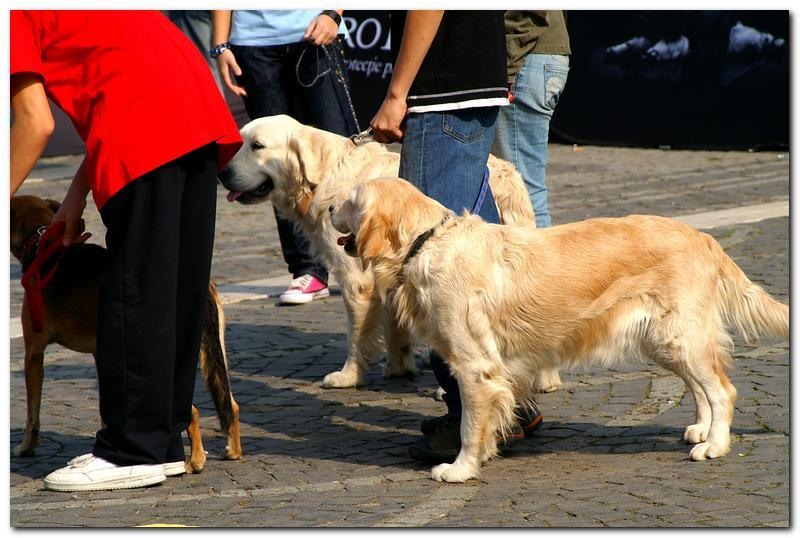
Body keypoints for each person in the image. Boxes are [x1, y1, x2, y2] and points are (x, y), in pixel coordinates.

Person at [10, 10, 242, 492]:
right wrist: (75, 196)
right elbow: (126, 77)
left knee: (133, 293)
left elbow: (35, 124)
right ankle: (161, 442)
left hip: (147, 123)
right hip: (196, 111)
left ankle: (130, 450)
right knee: (174, 290)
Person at [370, 10, 542, 463]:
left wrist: (397, 94)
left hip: (442, 95)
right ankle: (512, 403)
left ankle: (471, 414)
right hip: (470, 87)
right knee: (484, 263)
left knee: (440, 272)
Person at [211, 10, 359, 305]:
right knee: (273, 168)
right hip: (253, 42)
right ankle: (307, 270)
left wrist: (334, 13)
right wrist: (220, 44)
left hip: (316, 30)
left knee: (342, 157)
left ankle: (359, 258)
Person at [492, 11, 570, 229]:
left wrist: (505, 68)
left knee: (520, 194)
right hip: (534, 55)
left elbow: (525, 14)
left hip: (524, 58)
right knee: (522, 189)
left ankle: (538, 253)